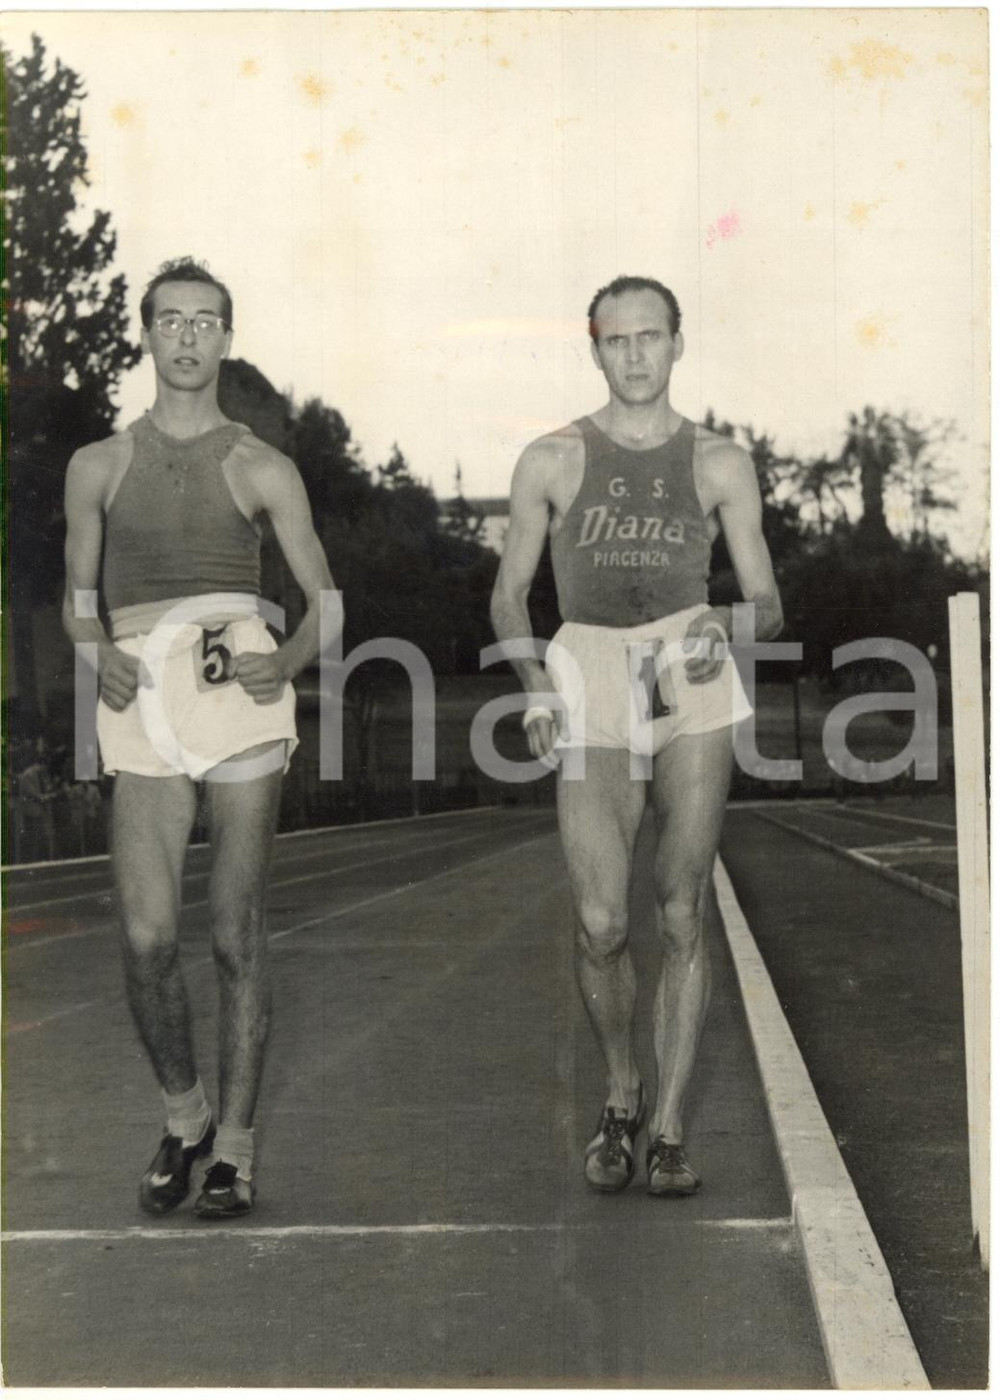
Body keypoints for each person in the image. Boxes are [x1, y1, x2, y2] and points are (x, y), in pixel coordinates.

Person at [491, 275, 782, 1196]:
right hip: (589, 669)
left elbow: (768, 602)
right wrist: (536, 683)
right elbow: (508, 594)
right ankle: (620, 1087)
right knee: (602, 919)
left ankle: (665, 1129)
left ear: (677, 344)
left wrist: (726, 627)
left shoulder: (721, 462)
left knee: (681, 909)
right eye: (617, 340)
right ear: (595, 349)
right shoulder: (551, 458)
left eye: (651, 336)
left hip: (690, 668)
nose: (636, 354)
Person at [63, 257, 337, 1218]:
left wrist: (290, 660)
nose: (186, 335)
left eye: (205, 321)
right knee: (144, 936)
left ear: (227, 337)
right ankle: (183, 1120)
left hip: (239, 691)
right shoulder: (98, 464)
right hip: (143, 695)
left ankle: (235, 1152)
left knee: (234, 933)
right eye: (169, 320)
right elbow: (78, 605)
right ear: (147, 335)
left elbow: (328, 602)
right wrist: (101, 654)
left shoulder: (261, 465)